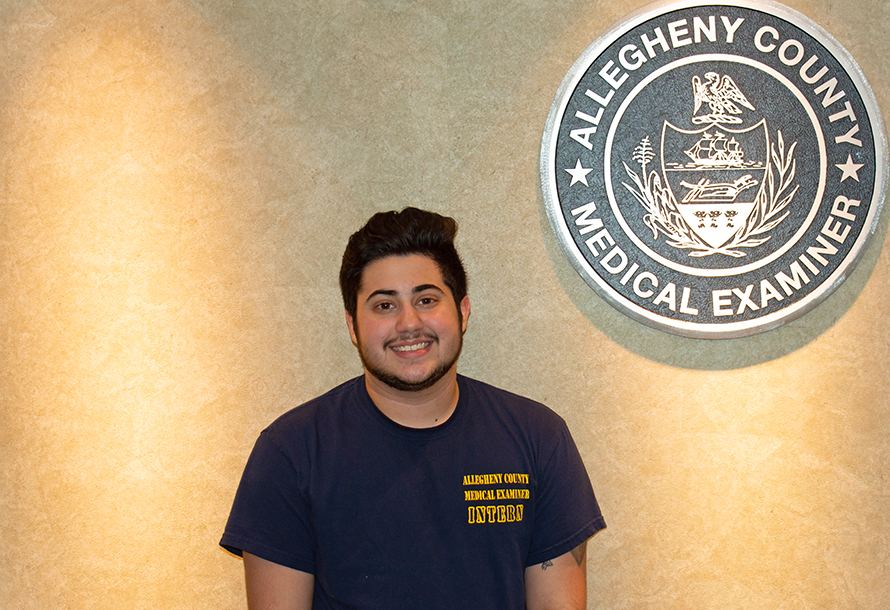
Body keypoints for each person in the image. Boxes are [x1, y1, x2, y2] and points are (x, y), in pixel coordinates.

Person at [221, 207, 605, 609]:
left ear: (462, 311)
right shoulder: (291, 452)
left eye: (426, 299)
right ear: (353, 326)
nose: (408, 323)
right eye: (384, 305)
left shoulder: (539, 439)